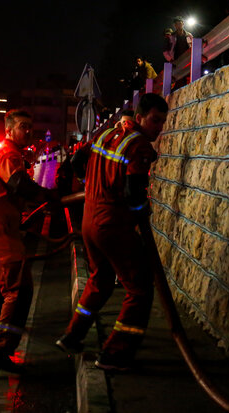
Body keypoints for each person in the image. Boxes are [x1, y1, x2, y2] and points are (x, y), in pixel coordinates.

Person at [56, 93, 168, 371]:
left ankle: (73, 335)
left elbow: (76, 161)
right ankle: (115, 353)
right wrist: (141, 209)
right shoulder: (139, 145)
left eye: (163, 122)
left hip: (90, 220)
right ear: (140, 118)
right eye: (155, 120)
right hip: (113, 224)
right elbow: (133, 193)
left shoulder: (108, 134)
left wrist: (90, 184)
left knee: (101, 278)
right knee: (139, 287)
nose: (158, 128)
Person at [0, 109, 58, 373]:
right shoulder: (9, 153)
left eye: (30, 127)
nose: (28, 131)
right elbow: (19, 183)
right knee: (19, 290)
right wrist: (47, 196)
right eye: (22, 126)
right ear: (8, 130)